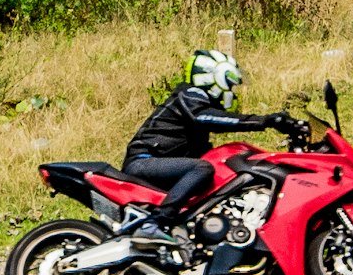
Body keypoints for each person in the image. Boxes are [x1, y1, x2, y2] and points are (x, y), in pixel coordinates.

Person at [119, 47, 294, 232]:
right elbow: (209, 118)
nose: (232, 91)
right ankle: (155, 223)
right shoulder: (191, 95)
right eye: (229, 85)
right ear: (214, 78)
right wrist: (265, 121)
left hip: (154, 161)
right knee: (201, 167)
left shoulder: (193, 99)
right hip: (144, 161)